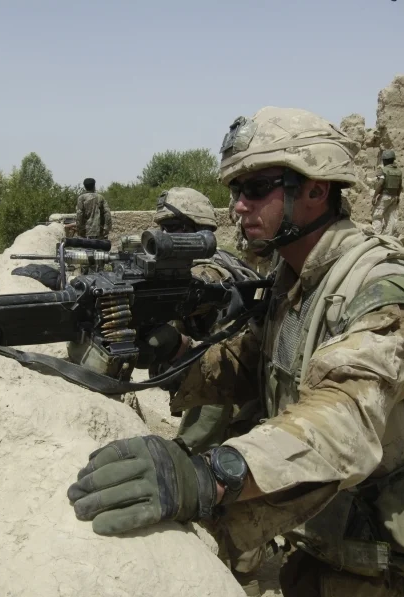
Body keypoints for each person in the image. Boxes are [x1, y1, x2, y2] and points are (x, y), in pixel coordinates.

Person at [68, 107, 404, 597]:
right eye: (236, 191)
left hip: (371, 539)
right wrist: (177, 356)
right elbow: (250, 362)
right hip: (315, 510)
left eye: (257, 188)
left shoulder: (387, 292)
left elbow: (343, 416)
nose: (239, 206)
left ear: (315, 189)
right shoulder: (295, 278)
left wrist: (212, 474)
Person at [148, 186, 268, 595]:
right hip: (236, 393)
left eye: (168, 228)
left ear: (187, 231)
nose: (159, 234)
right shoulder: (225, 265)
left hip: (229, 402)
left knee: (221, 493)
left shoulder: (208, 274)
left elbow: (215, 386)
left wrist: (184, 454)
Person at [371, 149, 403, 235]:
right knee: (391, 217)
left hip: (385, 196)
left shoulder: (384, 170)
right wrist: (398, 196)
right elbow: (400, 186)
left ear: (385, 160)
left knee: (377, 216)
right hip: (394, 197)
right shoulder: (399, 172)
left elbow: (380, 184)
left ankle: (376, 235)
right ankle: (390, 236)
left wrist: (375, 196)